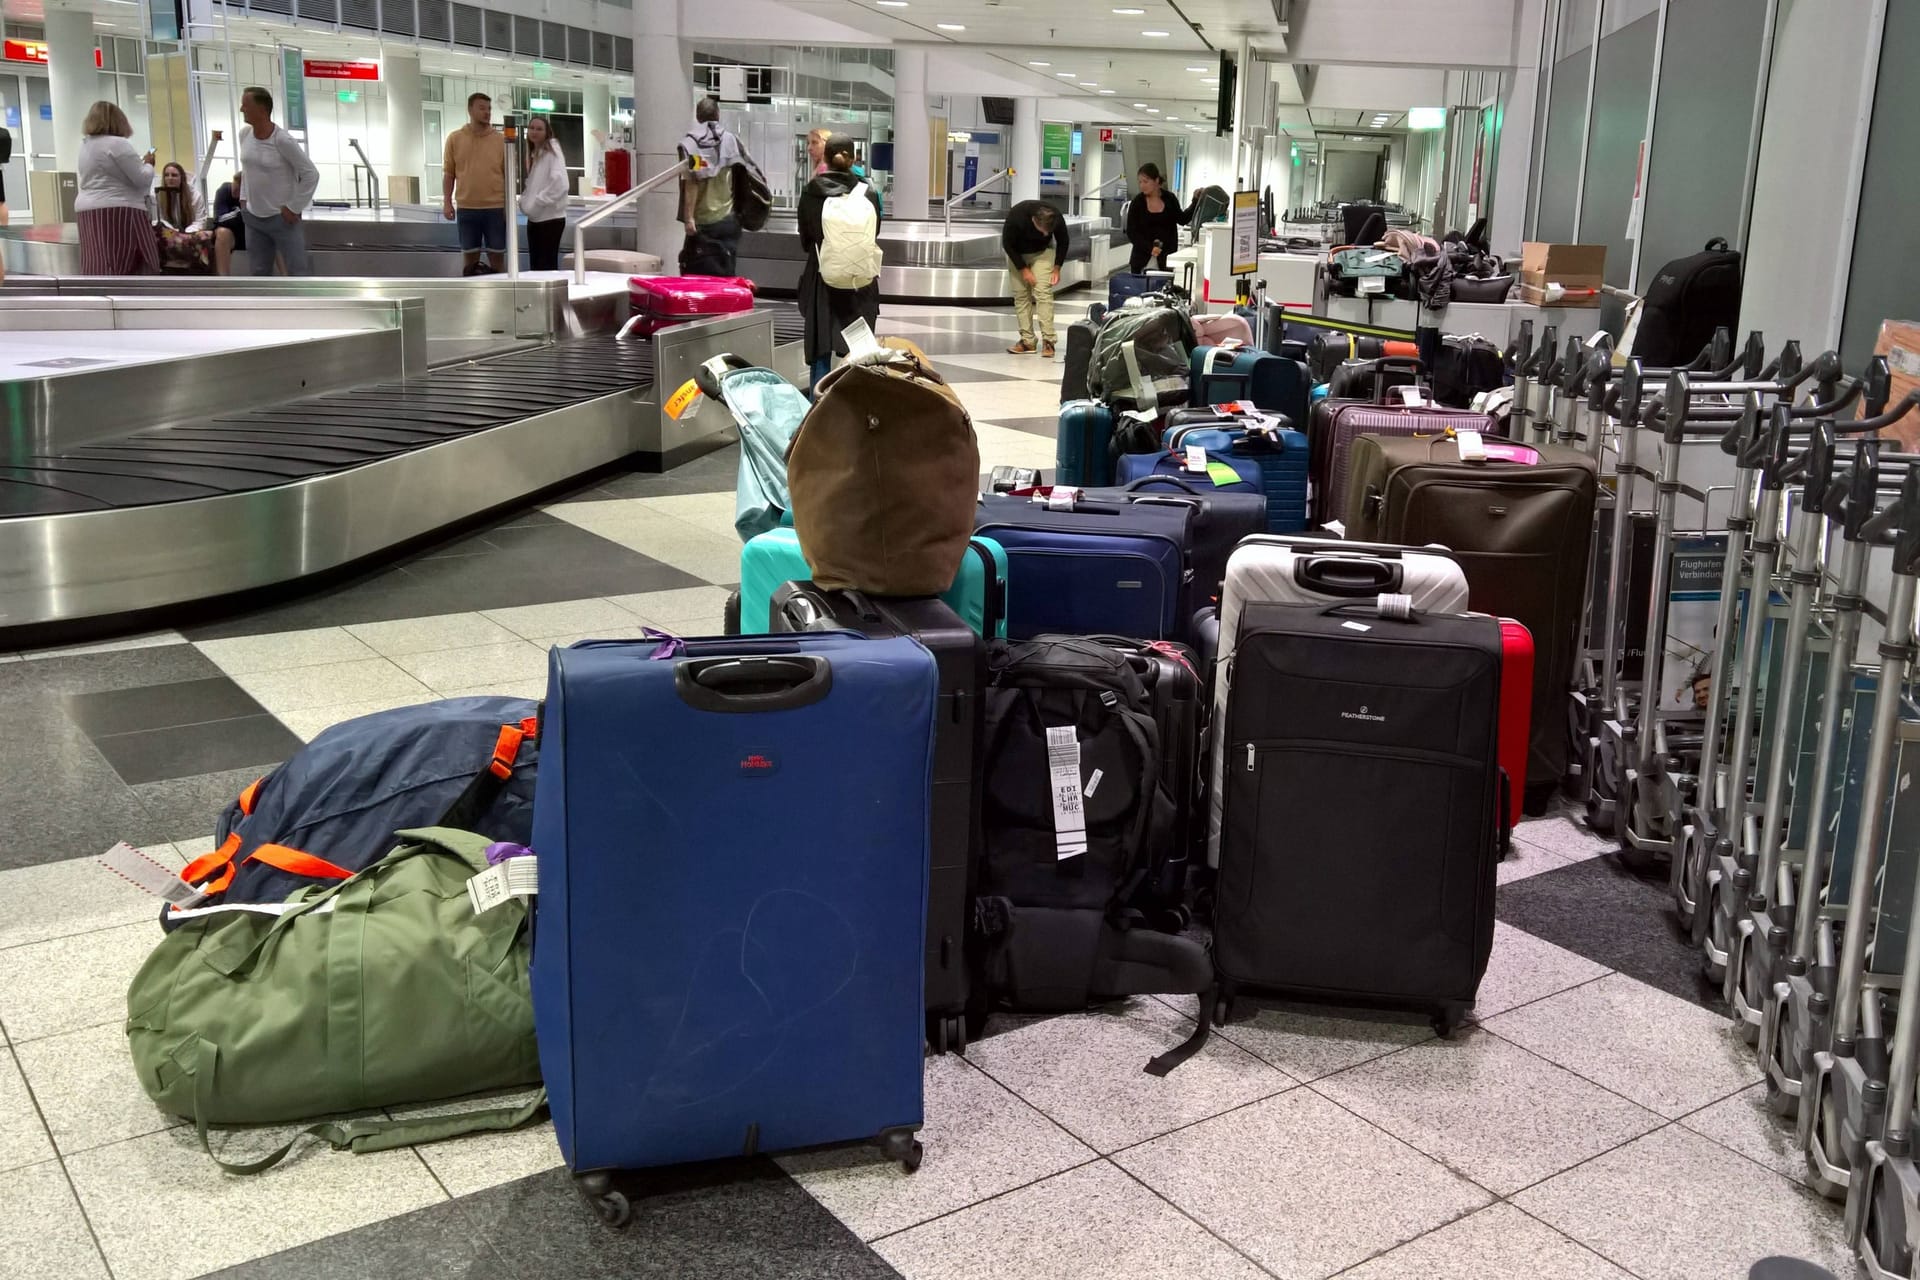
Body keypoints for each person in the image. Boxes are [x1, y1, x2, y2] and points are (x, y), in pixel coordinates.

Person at [797, 133, 882, 392]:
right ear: (854, 158)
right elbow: (875, 231)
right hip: (860, 281)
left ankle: (818, 410)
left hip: (822, 277)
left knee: (821, 349)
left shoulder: (812, 192)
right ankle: (857, 410)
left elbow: (805, 239)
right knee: (859, 350)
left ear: (825, 158)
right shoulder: (868, 191)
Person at [237, 85, 319, 276]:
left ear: (262, 110)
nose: (242, 109)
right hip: (253, 217)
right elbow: (247, 169)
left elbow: (310, 174)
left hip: (282, 218)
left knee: (297, 270)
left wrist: (294, 207)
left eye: (245, 105)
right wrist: (243, 200)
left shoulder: (283, 140)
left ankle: (301, 305)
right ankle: (263, 305)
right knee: (259, 271)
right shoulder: (245, 135)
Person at [75, 101, 158, 275]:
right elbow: (141, 179)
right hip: (120, 210)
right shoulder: (118, 144)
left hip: (87, 210)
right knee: (130, 262)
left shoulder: (85, 145)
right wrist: (149, 165)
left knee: (98, 263)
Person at [442, 92, 506, 275]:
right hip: (467, 208)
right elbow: (449, 173)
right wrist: (447, 202)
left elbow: (508, 175)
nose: (487, 112)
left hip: (495, 208)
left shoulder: (500, 140)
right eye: (482, 108)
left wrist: (508, 207)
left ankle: (501, 297)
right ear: (470, 110)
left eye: (489, 109)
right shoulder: (455, 139)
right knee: (470, 259)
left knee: (497, 258)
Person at [679, 96, 742, 275]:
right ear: (718, 115)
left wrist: (689, 217)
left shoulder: (693, 145)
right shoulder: (730, 140)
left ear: (698, 117)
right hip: (727, 218)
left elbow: (693, 181)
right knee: (726, 271)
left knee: (697, 274)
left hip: (703, 222)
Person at [1001, 200, 1069, 358]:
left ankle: (1049, 340)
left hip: (1043, 253)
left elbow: (1063, 241)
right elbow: (1007, 244)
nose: (1045, 234)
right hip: (1017, 253)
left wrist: (1057, 267)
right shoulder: (1016, 217)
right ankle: (1027, 341)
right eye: (1042, 231)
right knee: (1021, 295)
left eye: (1048, 232)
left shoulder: (1055, 217)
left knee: (1042, 292)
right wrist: (1023, 269)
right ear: (1033, 220)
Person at [520, 114, 570, 271]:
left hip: (549, 219)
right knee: (537, 266)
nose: (534, 131)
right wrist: (526, 201)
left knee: (545, 266)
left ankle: (550, 296)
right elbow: (536, 183)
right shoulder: (537, 153)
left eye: (539, 129)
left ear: (547, 132)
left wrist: (537, 202)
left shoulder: (552, 151)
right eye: (532, 128)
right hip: (536, 218)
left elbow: (561, 184)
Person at [1124, 163, 1185, 274]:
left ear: (1156, 180)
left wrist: (1196, 202)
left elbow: (1182, 219)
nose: (1142, 185)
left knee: (1163, 289)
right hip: (1141, 259)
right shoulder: (1137, 202)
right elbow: (1131, 232)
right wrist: (1149, 248)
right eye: (1140, 182)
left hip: (1165, 258)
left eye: (1146, 181)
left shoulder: (1169, 199)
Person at [154, 160, 213, 274]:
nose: (170, 178)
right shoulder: (158, 194)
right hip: (170, 232)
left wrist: (186, 233)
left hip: (190, 233)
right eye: (167, 175)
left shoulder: (194, 195)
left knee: (204, 236)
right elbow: (159, 219)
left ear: (182, 178)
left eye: (174, 175)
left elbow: (200, 220)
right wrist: (174, 231)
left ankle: (200, 271)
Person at [212, 171, 248, 275]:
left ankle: (284, 275)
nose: (235, 191)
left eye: (240, 190)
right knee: (222, 233)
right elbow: (219, 220)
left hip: (248, 232)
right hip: (231, 234)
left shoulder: (253, 196)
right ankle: (224, 279)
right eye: (235, 186)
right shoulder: (224, 191)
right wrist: (242, 212)